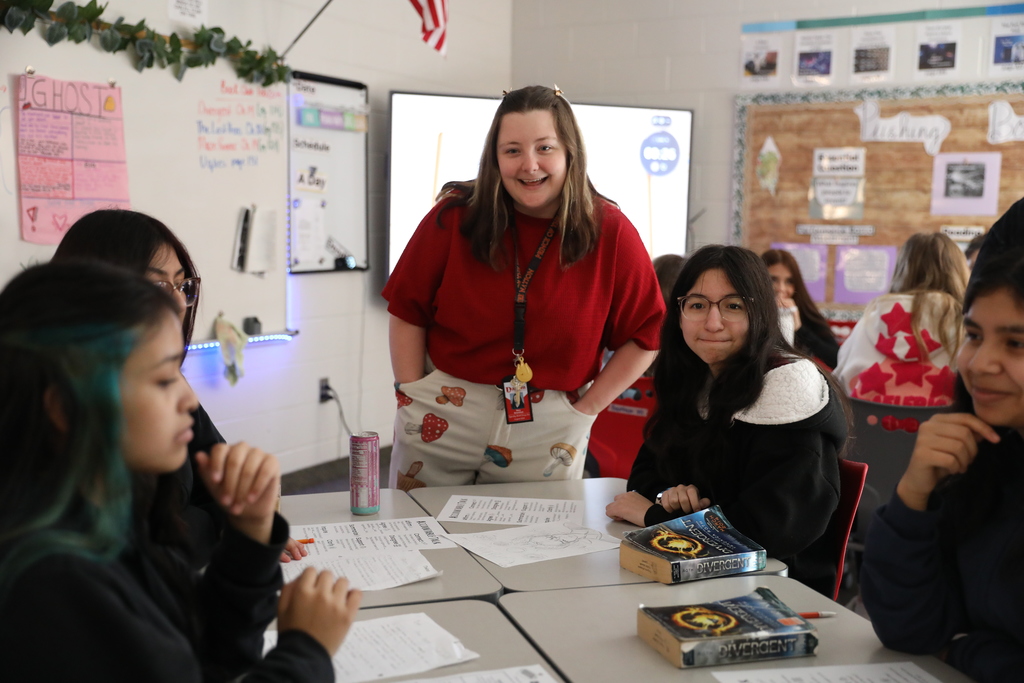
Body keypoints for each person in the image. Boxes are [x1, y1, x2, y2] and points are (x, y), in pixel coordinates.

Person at [0, 261, 361, 681]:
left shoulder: (112, 520)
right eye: (163, 379)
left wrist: (248, 534)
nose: (189, 401)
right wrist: (307, 650)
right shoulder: (55, 586)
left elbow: (202, 655)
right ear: (65, 407)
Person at [383, 85, 663, 488]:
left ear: (570, 152)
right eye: (512, 150)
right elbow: (407, 309)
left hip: (549, 423)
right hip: (444, 407)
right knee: (420, 535)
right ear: (495, 158)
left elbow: (646, 333)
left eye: (545, 148)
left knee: (531, 547)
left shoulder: (610, 230)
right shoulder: (456, 216)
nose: (529, 165)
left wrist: (586, 410)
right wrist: (410, 395)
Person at [52, 209, 307, 566]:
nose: (177, 302)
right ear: (98, 290)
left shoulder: (165, 378)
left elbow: (224, 479)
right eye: (156, 285)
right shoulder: (70, 408)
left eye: (182, 285)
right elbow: (153, 542)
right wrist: (230, 525)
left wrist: (239, 524)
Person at [605, 245, 847, 595]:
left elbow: (768, 530)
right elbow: (646, 475)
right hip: (694, 573)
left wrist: (657, 518)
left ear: (760, 313)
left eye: (733, 306)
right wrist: (668, 495)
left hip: (774, 591)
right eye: (697, 305)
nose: (712, 322)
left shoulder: (786, 389)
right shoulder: (698, 379)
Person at [859, 248, 1024, 682]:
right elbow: (909, 630)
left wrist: (968, 652)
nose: (980, 363)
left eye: (1015, 343)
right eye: (973, 335)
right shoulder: (990, 462)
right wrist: (914, 494)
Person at [835, 232, 967, 406]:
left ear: (901, 269)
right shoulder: (966, 326)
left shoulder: (869, 320)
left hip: (867, 429)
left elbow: (839, 382)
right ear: (958, 272)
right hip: (944, 430)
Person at [761, 248, 839, 368]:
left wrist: (799, 328)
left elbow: (836, 359)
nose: (781, 288)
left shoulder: (804, 314)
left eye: (789, 281)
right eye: (773, 280)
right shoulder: (748, 315)